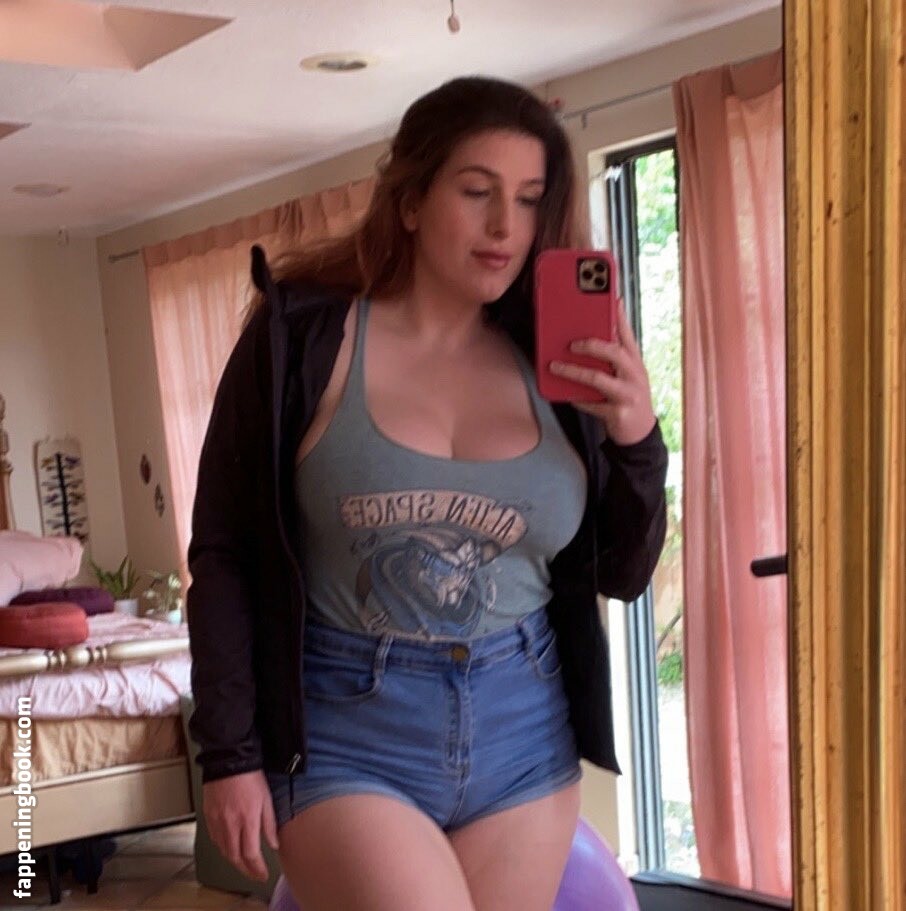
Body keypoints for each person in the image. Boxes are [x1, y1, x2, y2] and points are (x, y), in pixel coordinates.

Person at [186, 75, 668, 911]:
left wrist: (636, 437)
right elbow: (224, 551)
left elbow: (623, 572)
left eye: (528, 199)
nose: (505, 226)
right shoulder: (301, 338)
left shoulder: (557, 364)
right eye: (477, 191)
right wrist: (229, 752)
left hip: (525, 724)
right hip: (345, 726)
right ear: (409, 201)